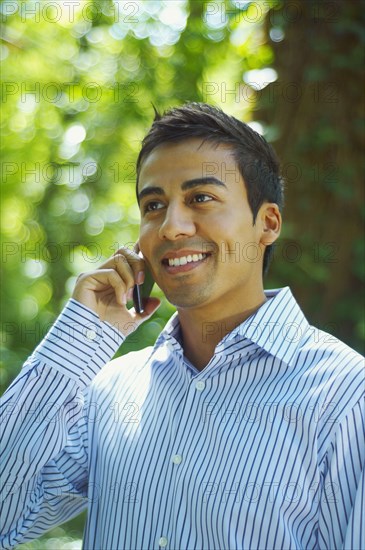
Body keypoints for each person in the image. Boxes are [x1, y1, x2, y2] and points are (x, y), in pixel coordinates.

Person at [0, 103, 363, 550]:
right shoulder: (109, 390)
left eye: (201, 198)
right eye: (154, 205)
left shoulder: (348, 396)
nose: (171, 227)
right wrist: (81, 335)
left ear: (267, 223)